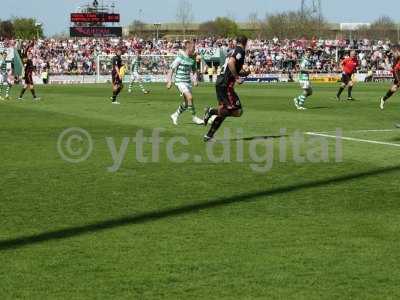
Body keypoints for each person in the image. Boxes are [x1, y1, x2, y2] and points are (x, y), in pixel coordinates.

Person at [203, 36, 250, 142]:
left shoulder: (232, 52)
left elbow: (231, 67)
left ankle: (209, 135)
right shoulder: (240, 51)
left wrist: (245, 73)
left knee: (224, 111)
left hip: (220, 83)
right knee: (237, 111)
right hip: (226, 86)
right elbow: (231, 63)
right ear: (245, 43)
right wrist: (237, 78)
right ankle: (211, 111)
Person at [167, 40, 204, 126]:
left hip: (188, 82)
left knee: (187, 103)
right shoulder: (180, 57)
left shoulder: (192, 58)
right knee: (190, 98)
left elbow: (194, 70)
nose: (195, 50)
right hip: (180, 82)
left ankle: (175, 115)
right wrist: (169, 81)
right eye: (193, 48)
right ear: (188, 48)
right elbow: (171, 69)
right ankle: (194, 117)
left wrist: (195, 80)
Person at [380, 45, 400, 110]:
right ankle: (383, 99)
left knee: (393, 89)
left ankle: (383, 99)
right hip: (397, 75)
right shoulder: (396, 58)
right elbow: (395, 69)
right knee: (393, 89)